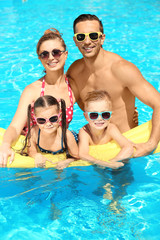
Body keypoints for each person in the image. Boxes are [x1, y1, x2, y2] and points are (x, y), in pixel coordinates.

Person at [67, 13, 160, 157]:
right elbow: (60, 106)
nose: (87, 42)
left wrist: (151, 144)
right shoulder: (74, 72)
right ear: (75, 41)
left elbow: (158, 103)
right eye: (81, 37)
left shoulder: (121, 69)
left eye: (93, 36)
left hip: (126, 147)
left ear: (102, 38)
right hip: (95, 148)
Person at [0, 28, 76, 166]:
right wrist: (5, 145)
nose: (51, 57)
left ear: (65, 54)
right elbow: (15, 127)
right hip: (33, 149)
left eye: (56, 52)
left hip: (59, 148)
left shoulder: (73, 88)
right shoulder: (32, 90)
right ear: (40, 58)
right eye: (45, 54)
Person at [78, 90, 133, 168]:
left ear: (110, 115)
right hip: (96, 165)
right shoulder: (84, 132)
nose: (99, 119)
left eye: (105, 114)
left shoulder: (111, 129)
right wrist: (103, 163)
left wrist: (113, 161)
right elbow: (83, 154)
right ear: (86, 116)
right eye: (94, 115)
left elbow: (128, 147)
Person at [21, 95, 78, 169]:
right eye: (41, 120)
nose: (48, 124)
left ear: (60, 117)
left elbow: (77, 156)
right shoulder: (34, 133)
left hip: (75, 137)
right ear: (35, 119)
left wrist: (67, 161)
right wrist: (37, 155)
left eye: (53, 119)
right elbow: (31, 151)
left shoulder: (66, 135)